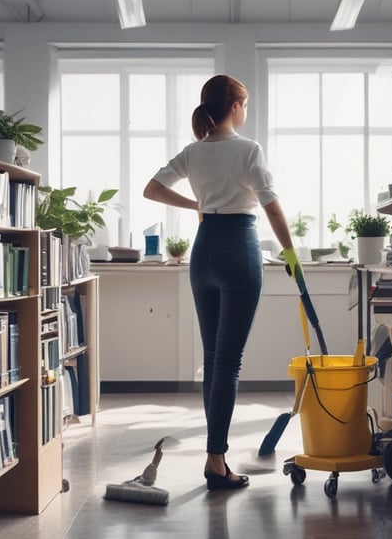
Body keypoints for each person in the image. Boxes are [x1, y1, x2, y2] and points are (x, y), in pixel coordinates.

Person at [143, 74, 301, 491]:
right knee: (227, 363)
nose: (245, 112)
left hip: (204, 250)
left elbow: (152, 189)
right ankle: (216, 460)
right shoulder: (249, 150)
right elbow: (273, 208)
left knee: (213, 360)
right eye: (244, 105)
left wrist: (197, 203)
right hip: (238, 249)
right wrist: (290, 254)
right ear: (234, 107)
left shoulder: (193, 152)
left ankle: (216, 456)